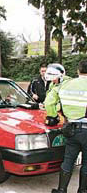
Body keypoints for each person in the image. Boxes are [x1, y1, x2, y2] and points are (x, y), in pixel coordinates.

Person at [44, 60, 87, 193]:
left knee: (68, 161)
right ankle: (83, 190)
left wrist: (53, 117)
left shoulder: (66, 84)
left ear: (78, 71)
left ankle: (61, 190)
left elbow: (49, 102)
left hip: (71, 129)